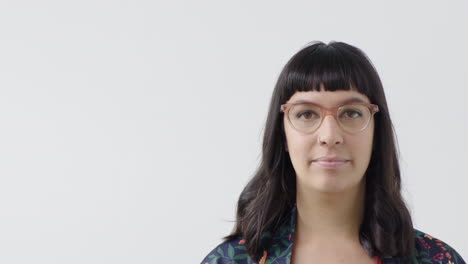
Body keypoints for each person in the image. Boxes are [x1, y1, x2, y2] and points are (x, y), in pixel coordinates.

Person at [200, 41, 465, 264]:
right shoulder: (231, 260)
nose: (329, 136)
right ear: (282, 134)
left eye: (351, 113)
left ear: (376, 131)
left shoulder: (436, 259)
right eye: (306, 114)